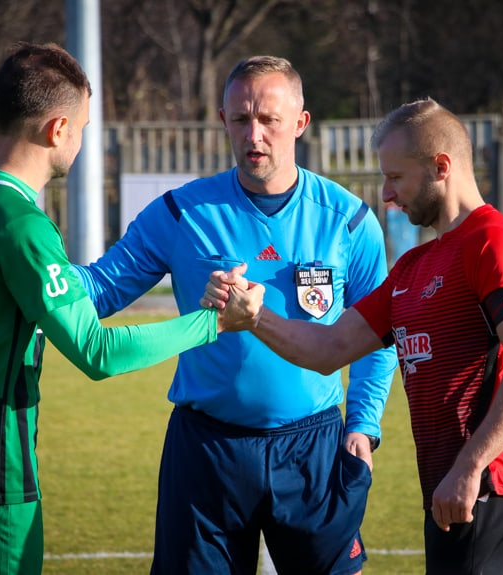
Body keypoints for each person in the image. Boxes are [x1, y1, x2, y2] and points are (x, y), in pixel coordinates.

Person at [0, 42, 260, 575]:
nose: (84, 140)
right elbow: (98, 352)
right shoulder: (20, 224)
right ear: (58, 129)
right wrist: (214, 322)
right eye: (85, 127)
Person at [206, 98, 503, 575]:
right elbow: (329, 349)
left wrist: (470, 466)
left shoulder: (491, 241)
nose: (387, 194)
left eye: (396, 177)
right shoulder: (414, 266)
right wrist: (253, 315)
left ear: (441, 167)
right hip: (450, 489)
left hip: (489, 487)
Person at [73, 55, 397, 574]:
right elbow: (99, 289)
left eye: (269, 119)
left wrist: (363, 424)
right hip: (207, 450)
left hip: (313, 446)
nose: (255, 134)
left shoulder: (350, 222)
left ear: (299, 123)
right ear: (223, 120)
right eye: (241, 119)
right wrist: (29, 267)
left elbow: (379, 337)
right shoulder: (181, 213)